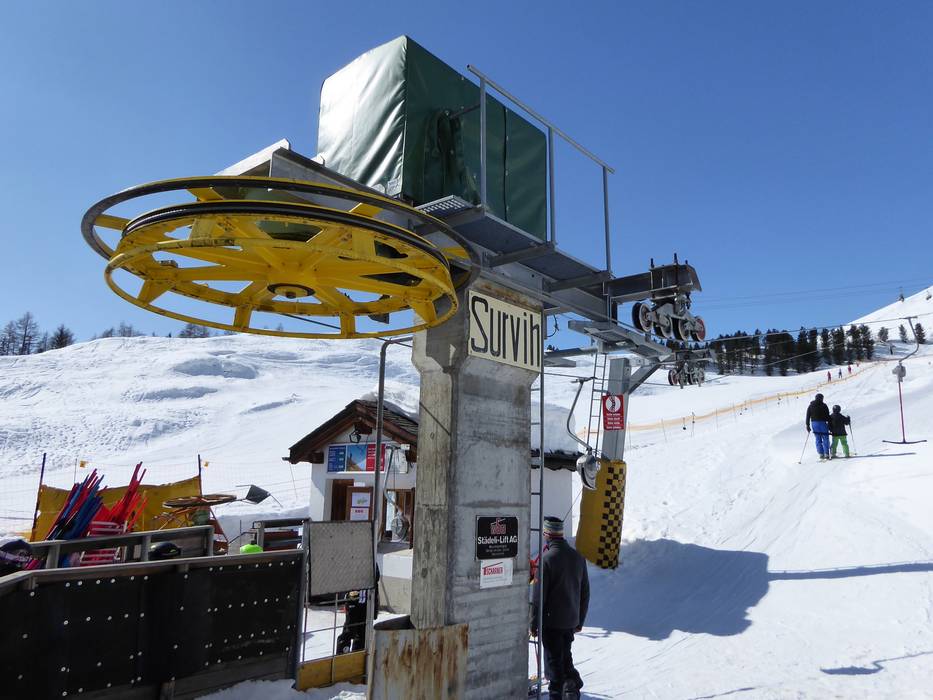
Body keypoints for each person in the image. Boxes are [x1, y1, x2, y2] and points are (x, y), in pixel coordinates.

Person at [531, 516, 589, 700]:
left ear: (547, 534)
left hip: (551, 623)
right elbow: (585, 592)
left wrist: (534, 623)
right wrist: (579, 620)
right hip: (570, 621)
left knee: (554, 665)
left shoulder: (546, 560)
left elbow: (539, 597)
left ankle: (560, 692)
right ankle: (572, 684)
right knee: (565, 658)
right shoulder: (578, 557)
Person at [805, 393, 832, 460]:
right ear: (821, 398)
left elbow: (808, 416)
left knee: (818, 438)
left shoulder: (810, 406)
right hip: (822, 423)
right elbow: (827, 416)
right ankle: (826, 453)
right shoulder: (824, 405)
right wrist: (830, 424)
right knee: (825, 437)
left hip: (814, 424)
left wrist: (807, 425)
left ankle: (821, 454)